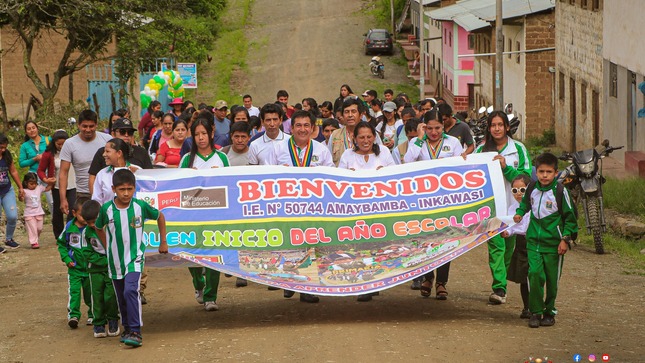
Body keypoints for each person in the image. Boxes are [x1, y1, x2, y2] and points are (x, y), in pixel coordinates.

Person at [94, 169, 168, 347]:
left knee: (130, 291)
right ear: (113, 189)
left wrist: (163, 241)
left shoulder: (140, 206)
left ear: (134, 188)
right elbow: (98, 227)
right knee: (121, 295)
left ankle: (136, 331)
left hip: (135, 257)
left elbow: (160, 216)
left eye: (129, 189)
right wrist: (107, 247)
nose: (126, 193)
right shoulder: (106, 209)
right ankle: (127, 327)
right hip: (115, 261)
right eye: (121, 189)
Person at [268, 110, 333, 304]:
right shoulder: (278, 148)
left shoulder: (321, 150)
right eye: (298, 125)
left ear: (313, 129)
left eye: (307, 126)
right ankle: (288, 284)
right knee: (289, 245)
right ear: (291, 128)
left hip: (313, 207)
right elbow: (267, 176)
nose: (302, 129)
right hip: (286, 207)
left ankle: (308, 288)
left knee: (311, 246)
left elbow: (331, 177)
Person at [403, 110, 464, 299]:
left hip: (446, 201)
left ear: (444, 126)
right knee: (425, 241)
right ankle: (428, 277)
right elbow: (407, 161)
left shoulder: (452, 143)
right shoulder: (416, 143)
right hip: (422, 202)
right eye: (429, 128)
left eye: (437, 128)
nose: (434, 132)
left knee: (445, 241)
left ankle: (441, 282)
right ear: (423, 127)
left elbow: (460, 167)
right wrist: (420, 139)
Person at [514, 152, 577, 328]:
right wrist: (519, 214)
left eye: (548, 172)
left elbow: (570, 218)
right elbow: (525, 204)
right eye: (541, 171)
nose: (544, 175)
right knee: (533, 274)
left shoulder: (560, 192)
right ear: (537, 172)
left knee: (551, 280)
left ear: (556, 173)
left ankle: (549, 312)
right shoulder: (532, 187)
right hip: (533, 241)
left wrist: (565, 239)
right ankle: (535, 311)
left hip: (554, 245)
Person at [476, 110, 532, 304]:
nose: (497, 129)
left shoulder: (518, 149)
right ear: (488, 128)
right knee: (496, 247)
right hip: (491, 208)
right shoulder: (481, 150)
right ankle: (499, 288)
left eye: (500, 125)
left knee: (508, 247)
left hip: (513, 207)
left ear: (507, 127)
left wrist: (505, 166)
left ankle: (502, 283)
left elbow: (525, 179)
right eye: (493, 125)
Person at [180, 119, 229, 311]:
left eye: (204, 133)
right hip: (192, 215)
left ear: (211, 133)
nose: (200, 138)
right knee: (192, 254)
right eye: (197, 134)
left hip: (215, 215)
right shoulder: (186, 159)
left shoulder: (221, 158)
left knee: (214, 255)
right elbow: (176, 187)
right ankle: (198, 283)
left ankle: (211, 296)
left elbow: (229, 185)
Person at [59, 110, 113, 215]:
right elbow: (63, 173)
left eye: (91, 126)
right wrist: (63, 199)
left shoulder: (107, 140)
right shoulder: (69, 144)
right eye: (84, 126)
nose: (88, 130)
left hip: (106, 192)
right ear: (78, 125)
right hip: (83, 194)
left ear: (96, 125)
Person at [80, 200, 120, 338]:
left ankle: (113, 320)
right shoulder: (86, 232)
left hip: (112, 269)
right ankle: (99, 323)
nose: (92, 225)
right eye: (88, 222)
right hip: (95, 270)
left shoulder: (111, 228)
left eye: (94, 221)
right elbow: (86, 252)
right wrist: (103, 261)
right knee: (96, 297)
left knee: (111, 296)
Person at [88, 118, 152, 193]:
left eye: (130, 132)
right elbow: (93, 177)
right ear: (113, 134)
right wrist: (95, 200)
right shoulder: (102, 153)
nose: (126, 135)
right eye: (122, 132)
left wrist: (139, 173)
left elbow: (149, 177)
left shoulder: (141, 152)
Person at [56, 198, 93, 329]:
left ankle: (93, 314)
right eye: (82, 214)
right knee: (75, 292)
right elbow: (61, 244)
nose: (85, 218)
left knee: (91, 293)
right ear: (74, 213)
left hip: (90, 269)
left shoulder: (92, 227)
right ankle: (74, 315)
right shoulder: (69, 228)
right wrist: (67, 259)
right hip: (75, 269)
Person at [502, 174, 531, 319]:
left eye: (522, 190)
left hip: (534, 242)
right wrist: (507, 232)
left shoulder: (535, 205)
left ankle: (538, 305)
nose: (518, 193)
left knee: (536, 277)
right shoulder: (513, 208)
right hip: (521, 243)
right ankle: (527, 307)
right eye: (514, 190)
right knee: (523, 278)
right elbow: (511, 227)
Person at [38, 130, 76, 238]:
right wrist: (46, 179)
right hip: (57, 186)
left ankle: (69, 232)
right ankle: (58, 234)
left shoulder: (73, 151)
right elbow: (40, 170)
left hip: (73, 184)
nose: (61, 146)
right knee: (58, 210)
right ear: (54, 143)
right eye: (58, 144)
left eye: (63, 144)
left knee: (73, 208)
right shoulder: (48, 154)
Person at [329, 97, 382, 166]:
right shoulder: (335, 135)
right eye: (346, 112)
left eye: (353, 111)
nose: (350, 115)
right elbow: (329, 161)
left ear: (361, 115)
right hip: (341, 175)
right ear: (342, 116)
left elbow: (381, 155)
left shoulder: (371, 133)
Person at [92, 139, 141, 205]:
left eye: (107, 151)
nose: (104, 154)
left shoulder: (137, 171)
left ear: (119, 153)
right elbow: (97, 200)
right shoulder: (102, 174)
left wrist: (139, 174)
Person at [18, 121, 53, 212]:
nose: (32, 130)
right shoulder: (25, 146)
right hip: (33, 175)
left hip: (47, 173)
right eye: (29, 129)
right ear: (26, 132)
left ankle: (55, 223)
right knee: (33, 200)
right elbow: (21, 163)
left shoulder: (48, 140)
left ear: (37, 128)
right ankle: (34, 221)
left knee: (52, 201)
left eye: (33, 128)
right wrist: (34, 159)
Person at [0, 134, 25, 253]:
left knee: (12, 216)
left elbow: (13, 171)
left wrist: (20, 187)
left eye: (4, 147)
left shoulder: (6, 155)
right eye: (0, 147)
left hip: (7, 190)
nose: (3, 150)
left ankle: (9, 239)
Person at [21, 172, 51, 249]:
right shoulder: (24, 191)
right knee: (32, 228)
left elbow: (47, 188)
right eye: (31, 184)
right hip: (29, 214)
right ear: (26, 183)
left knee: (39, 228)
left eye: (35, 183)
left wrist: (51, 182)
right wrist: (20, 195)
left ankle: (35, 239)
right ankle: (33, 242)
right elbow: (21, 199)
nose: (33, 185)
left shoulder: (39, 188)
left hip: (39, 212)